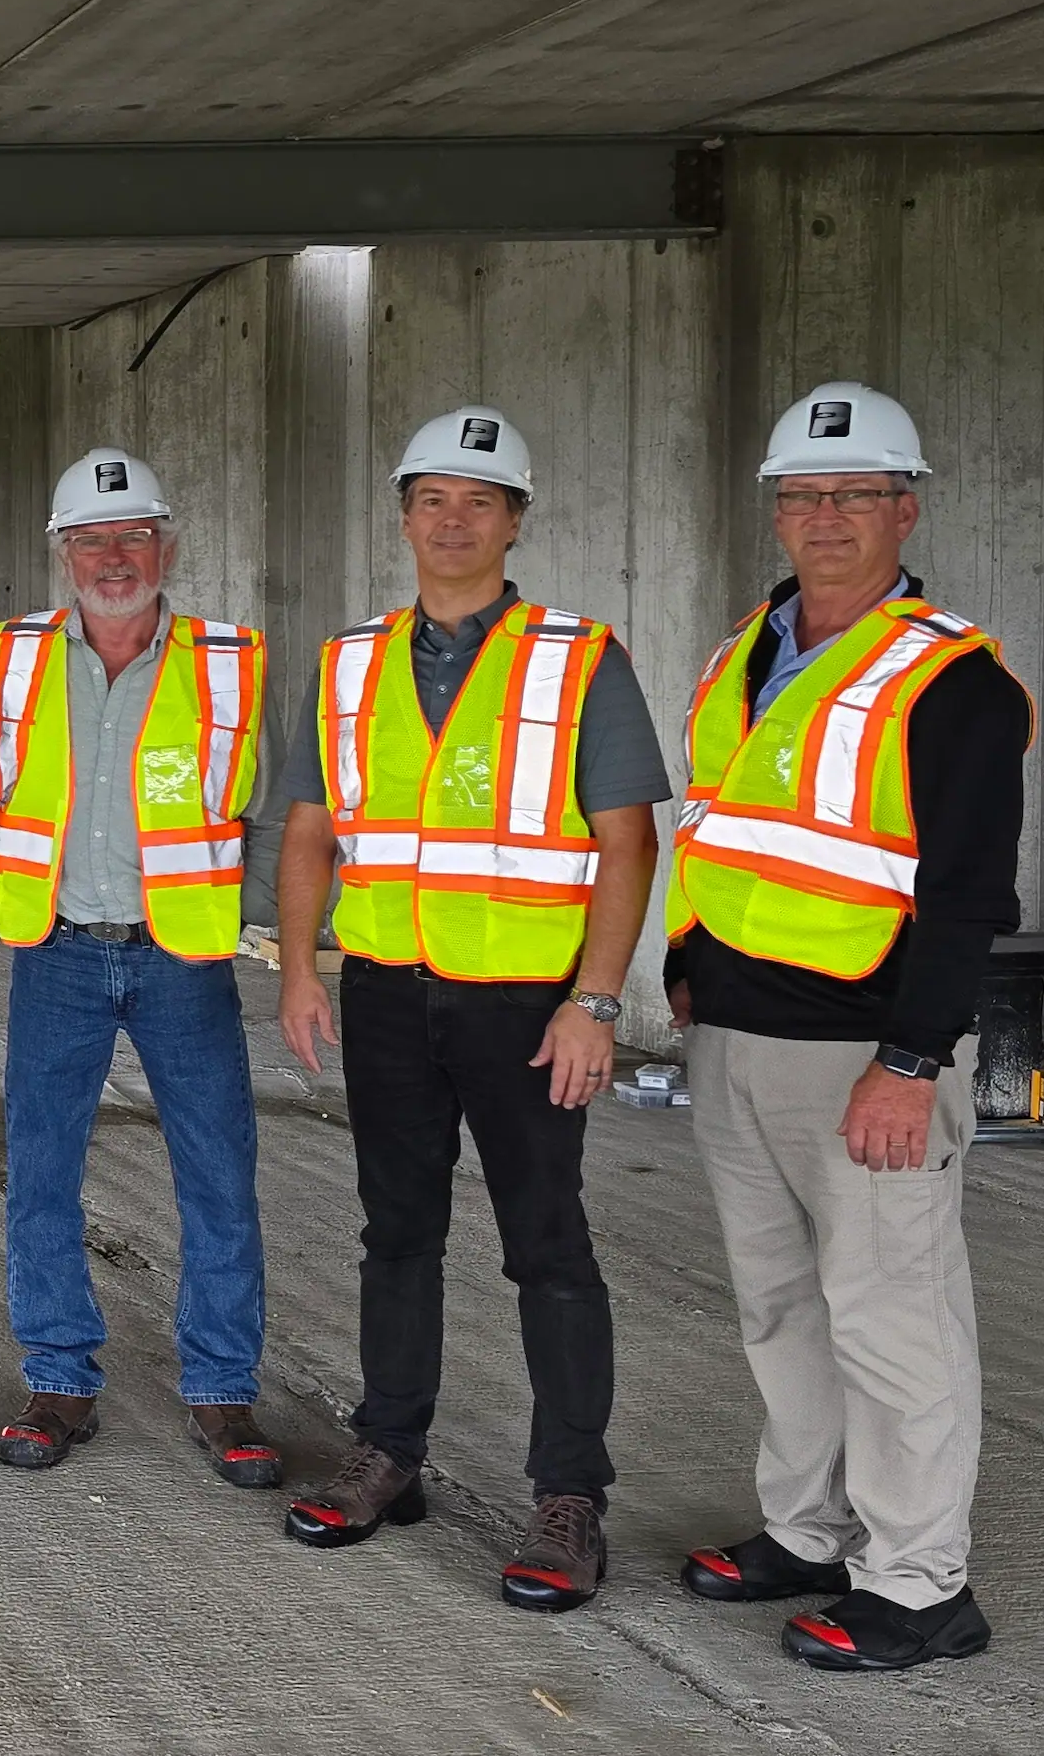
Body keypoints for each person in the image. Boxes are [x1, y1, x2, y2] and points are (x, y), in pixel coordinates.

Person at [273, 405, 666, 1614]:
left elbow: (627, 840)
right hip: (388, 994)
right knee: (396, 1235)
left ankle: (568, 1499)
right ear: (401, 516)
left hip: (526, 1007)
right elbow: (305, 834)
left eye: (478, 502)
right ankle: (389, 1452)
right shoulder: (346, 664)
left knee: (547, 1247)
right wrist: (298, 970)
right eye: (431, 499)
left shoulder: (577, 655)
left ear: (515, 521)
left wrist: (595, 1002)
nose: (452, 521)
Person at [665, 382, 1027, 1673]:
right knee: (781, 1308)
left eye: (854, 493)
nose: (824, 516)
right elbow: (721, 824)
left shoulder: (952, 680)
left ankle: (922, 1582)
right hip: (738, 1039)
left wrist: (913, 1059)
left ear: (903, 507)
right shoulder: (746, 650)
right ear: (778, 509)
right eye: (804, 493)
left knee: (892, 1318)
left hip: (870, 1056)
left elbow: (968, 895)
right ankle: (811, 1529)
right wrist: (684, 959)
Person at [0, 447, 277, 1491]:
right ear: (60, 551)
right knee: (40, 1175)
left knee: (217, 1176)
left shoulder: (228, 660)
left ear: (167, 545)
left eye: (132, 537)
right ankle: (56, 1379)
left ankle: (222, 1390)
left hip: (182, 958)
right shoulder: (16, 655)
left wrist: (245, 909)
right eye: (90, 539)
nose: (113, 556)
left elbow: (283, 802)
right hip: (60, 953)